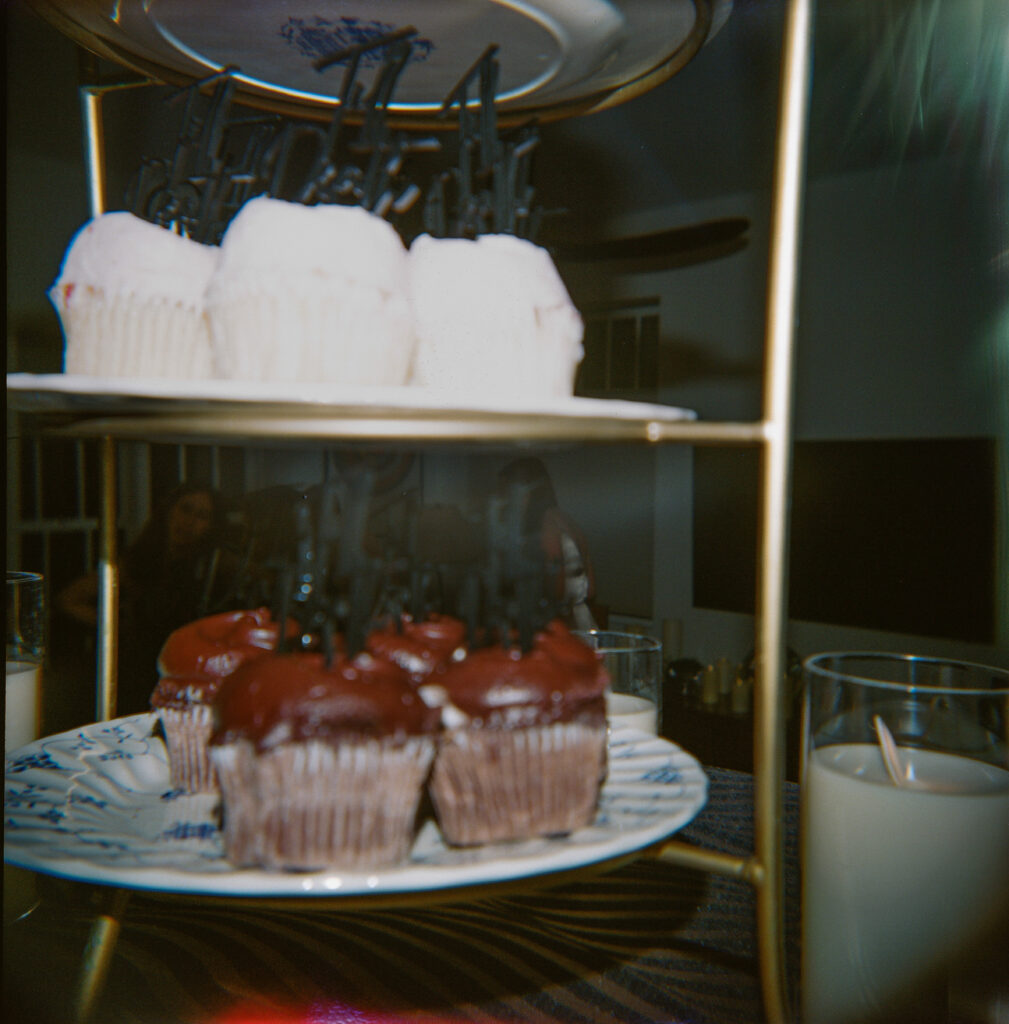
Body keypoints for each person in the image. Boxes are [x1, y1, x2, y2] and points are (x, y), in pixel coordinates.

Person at [57, 483, 236, 714]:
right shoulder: (138, 560)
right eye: (185, 509)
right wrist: (117, 626)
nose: (189, 521)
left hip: (183, 676)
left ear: (211, 525)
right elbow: (68, 599)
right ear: (169, 510)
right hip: (134, 675)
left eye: (202, 516)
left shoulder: (213, 568)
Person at [495, 457, 598, 630]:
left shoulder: (545, 527)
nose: (503, 501)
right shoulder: (567, 521)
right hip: (580, 622)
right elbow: (591, 589)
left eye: (507, 493)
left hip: (558, 628)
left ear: (526, 491)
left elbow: (554, 592)